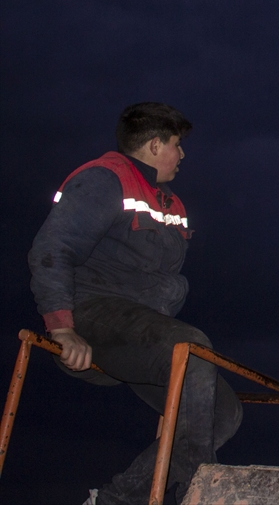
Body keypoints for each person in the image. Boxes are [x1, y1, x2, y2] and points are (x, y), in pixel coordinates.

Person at [28, 103, 241, 505]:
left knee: (223, 413)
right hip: (91, 316)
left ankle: (115, 501)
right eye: (177, 145)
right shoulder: (104, 180)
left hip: (139, 327)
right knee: (192, 350)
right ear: (155, 145)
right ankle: (203, 498)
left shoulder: (167, 202)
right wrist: (62, 326)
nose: (182, 155)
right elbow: (52, 249)